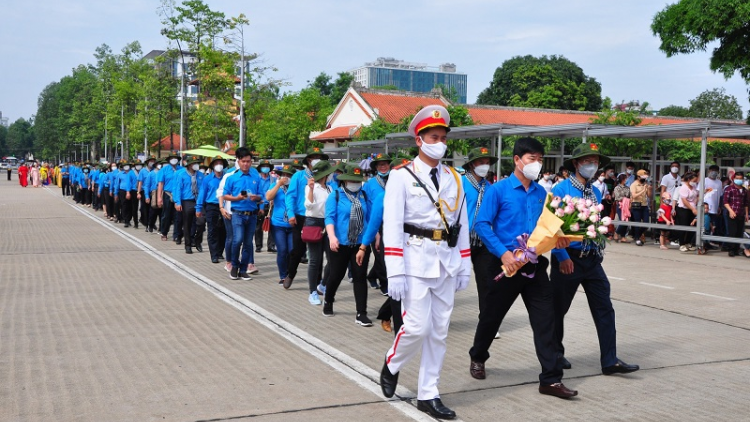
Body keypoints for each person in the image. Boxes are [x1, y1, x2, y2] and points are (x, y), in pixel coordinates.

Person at [379, 105, 470, 419]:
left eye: (444, 137)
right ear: (419, 140)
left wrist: (464, 263)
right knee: (416, 328)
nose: (440, 142)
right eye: (434, 136)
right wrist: (395, 271)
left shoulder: (454, 178)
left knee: (439, 332)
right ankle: (393, 363)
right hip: (414, 259)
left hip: (445, 260)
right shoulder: (401, 176)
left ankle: (428, 394)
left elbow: (462, 223)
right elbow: (391, 225)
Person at [469, 137, 576, 401]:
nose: (537, 164)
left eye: (540, 159)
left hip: (535, 267)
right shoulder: (499, 190)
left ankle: (550, 379)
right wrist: (504, 254)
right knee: (491, 317)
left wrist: (561, 250)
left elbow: (549, 229)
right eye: (532, 159)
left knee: (545, 320)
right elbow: (481, 224)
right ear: (517, 160)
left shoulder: (542, 193)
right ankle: (478, 356)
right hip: (506, 265)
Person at [551, 143, 639, 379]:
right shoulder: (561, 189)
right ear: (577, 163)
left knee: (604, 308)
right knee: (558, 309)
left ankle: (609, 360)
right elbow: (552, 228)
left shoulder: (596, 192)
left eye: (596, 161)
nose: (593, 165)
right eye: (588, 161)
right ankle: (555, 354)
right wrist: (561, 257)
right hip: (568, 258)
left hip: (591, 260)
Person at [322, 164, 371, 324]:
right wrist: (332, 237)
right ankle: (328, 299)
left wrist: (375, 237)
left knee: (359, 276)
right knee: (336, 274)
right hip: (340, 243)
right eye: (352, 180)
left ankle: (361, 313)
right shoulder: (335, 195)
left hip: (360, 244)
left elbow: (370, 219)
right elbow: (329, 217)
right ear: (344, 180)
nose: (355, 183)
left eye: (357, 180)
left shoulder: (363, 195)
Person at [461, 147, 497, 322]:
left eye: (487, 162)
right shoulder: (459, 183)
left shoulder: (490, 187)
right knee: (448, 280)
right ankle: (388, 310)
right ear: (472, 164)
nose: (485, 165)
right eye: (481, 162)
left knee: (487, 283)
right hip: (461, 240)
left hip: (482, 241)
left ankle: (487, 321)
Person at [284, 147, 327, 285]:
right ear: (309, 160)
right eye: (314, 158)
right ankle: (290, 274)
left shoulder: (325, 178)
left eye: (319, 158)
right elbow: (290, 196)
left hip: (318, 218)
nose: (317, 160)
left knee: (318, 252)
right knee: (298, 249)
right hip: (301, 217)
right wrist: (291, 214)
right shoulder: (299, 176)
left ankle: (318, 280)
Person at [296, 160, 335, 305]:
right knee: (314, 260)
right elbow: (308, 205)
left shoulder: (330, 189)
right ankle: (312, 292)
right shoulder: (311, 187)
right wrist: (311, 189)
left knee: (332, 259)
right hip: (313, 222)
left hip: (328, 223)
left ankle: (323, 285)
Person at [222, 147, 262, 280]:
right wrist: (237, 198)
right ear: (238, 161)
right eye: (243, 161)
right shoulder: (232, 178)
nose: (246, 164)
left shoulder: (256, 177)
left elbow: (262, 196)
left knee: (248, 242)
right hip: (237, 213)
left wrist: (257, 198)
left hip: (251, 214)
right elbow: (225, 196)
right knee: (237, 239)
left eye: (249, 161)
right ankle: (234, 265)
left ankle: (243, 269)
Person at [362, 153, 392, 292]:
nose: (383, 167)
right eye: (380, 165)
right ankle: (385, 285)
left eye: (385, 164)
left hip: (391, 221)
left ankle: (372, 276)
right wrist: (373, 231)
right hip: (376, 222)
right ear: (376, 167)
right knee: (380, 256)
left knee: (388, 254)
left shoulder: (395, 180)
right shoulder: (369, 184)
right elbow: (367, 207)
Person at [266, 164, 296, 285]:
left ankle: (290, 273)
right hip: (278, 224)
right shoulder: (275, 185)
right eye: (284, 175)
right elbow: (268, 197)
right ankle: (283, 275)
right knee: (282, 250)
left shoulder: (295, 187)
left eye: (289, 175)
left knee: (291, 250)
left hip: (292, 224)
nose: (286, 177)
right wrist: (278, 184)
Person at [197, 156, 228, 263]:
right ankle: (214, 254)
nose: (219, 165)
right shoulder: (207, 179)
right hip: (211, 206)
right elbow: (202, 193)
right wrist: (199, 207)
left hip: (225, 207)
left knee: (224, 231)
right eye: (216, 163)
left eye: (221, 163)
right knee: (212, 231)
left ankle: (220, 252)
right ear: (213, 166)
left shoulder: (227, 178)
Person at [173, 157, 205, 254]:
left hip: (198, 200)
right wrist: (177, 202)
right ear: (190, 165)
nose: (196, 165)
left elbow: (203, 188)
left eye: (197, 163)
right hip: (187, 201)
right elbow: (177, 188)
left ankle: (197, 241)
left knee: (201, 222)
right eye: (194, 163)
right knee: (187, 223)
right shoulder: (182, 175)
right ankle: (188, 245)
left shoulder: (200, 175)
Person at [157, 151, 183, 243]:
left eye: (175, 158)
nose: (174, 160)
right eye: (172, 158)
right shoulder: (164, 170)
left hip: (178, 195)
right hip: (167, 194)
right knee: (166, 215)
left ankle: (176, 234)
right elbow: (160, 184)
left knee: (178, 216)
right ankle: (164, 232)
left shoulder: (181, 170)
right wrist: (159, 198)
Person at [723, 171, 748, 257]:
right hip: (732, 213)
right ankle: (731, 249)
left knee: (739, 232)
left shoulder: (744, 190)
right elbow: (725, 202)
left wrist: (747, 214)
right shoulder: (729, 189)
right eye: (737, 178)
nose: (739, 180)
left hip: (741, 213)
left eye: (740, 179)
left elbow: (745, 203)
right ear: (733, 179)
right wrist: (731, 211)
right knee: (732, 232)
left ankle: (737, 248)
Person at [255, 159, 276, 253]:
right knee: (258, 226)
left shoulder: (273, 180)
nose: (265, 168)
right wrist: (261, 207)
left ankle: (271, 245)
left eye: (267, 166)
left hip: (270, 205)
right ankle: (258, 245)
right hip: (260, 205)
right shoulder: (256, 179)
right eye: (263, 166)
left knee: (272, 225)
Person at [676, 172, 699, 252]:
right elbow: (684, 201)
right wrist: (692, 209)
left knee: (692, 225)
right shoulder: (684, 187)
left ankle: (688, 242)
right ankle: (681, 243)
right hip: (684, 209)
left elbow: (696, 196)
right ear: (689, 179)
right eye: (694, 180)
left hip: (692, 208)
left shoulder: (694, 186)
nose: (695, 182)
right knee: (683, 226)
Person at [629, 169, 652, 246]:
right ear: (638, 177)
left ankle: (637, 235)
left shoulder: (645, 184)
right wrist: (643, 190)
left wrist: (649, 189)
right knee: (637, 222)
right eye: (643, 177)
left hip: (644, 205)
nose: (644, 179)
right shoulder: (634, 184)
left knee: (646, 223)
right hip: (636, 205)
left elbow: (649, 196)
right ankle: (637, 238)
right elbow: (634, 195)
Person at [612, 174, 631, 243]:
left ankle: (623, 236)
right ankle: (616, 233)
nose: (626, 180)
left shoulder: (627, 188)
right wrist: (625, 199)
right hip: (620, 206)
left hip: (627, 206)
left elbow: (629, 196)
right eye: (625, 179)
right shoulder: (617, 188)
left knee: (626, 220)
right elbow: (618, 197)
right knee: (623, 220)